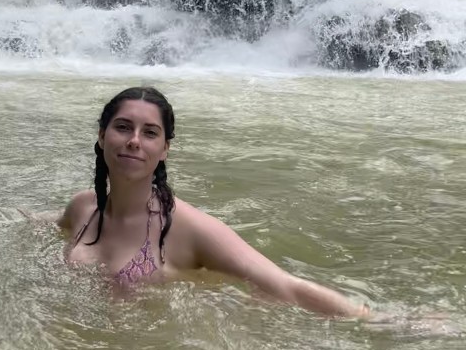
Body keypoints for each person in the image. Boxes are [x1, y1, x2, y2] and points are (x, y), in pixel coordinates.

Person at [59, 86, 369, 318]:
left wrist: (369, 318)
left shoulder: (189, 229)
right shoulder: (83, 208)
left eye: (150, 133)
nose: (134, 140)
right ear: (102, 136)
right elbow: (50, 224)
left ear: (165, 149)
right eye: (123, 127)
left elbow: (285, 285)